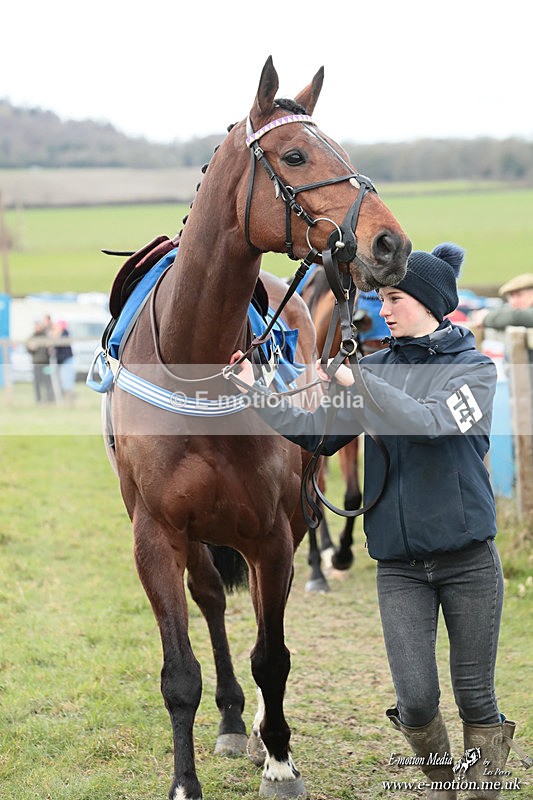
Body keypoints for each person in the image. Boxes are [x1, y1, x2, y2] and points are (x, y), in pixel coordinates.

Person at [231, 244, 527, 799]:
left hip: (469, 562)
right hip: (398, 566)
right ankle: (444, 783)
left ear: (430, 302)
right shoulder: (373, 368)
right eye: (381, 298)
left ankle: (481, 790)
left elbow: (433, 423)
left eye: (393, 298)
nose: (383, 309)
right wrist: (257, 392)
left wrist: (362, 385)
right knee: (415, 701)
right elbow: (318, 434)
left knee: (475, 698)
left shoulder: (475, 371)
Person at [26, 319, 54, 403]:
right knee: (37, 383)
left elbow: (51, 349)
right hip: (36, 363)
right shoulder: (32, 337)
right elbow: (28, 349)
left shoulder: (45, 336)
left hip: (46, 363)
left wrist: (50, 349)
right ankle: (38, 400)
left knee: (47, 382)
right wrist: (31, 348)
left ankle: (49, 399)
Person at [53, 320, 76, 401]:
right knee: (63, 381)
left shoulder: (64, 334)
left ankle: (69, 398)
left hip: (66, 360)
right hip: (62, 361)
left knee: (67, 381)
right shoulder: (59, 334)